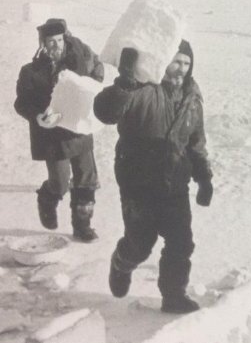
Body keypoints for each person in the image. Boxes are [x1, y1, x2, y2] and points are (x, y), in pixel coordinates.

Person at [93, 40, 213, 314]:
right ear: (163, 61)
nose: (181, 69)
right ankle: (122, 261)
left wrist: (203, 176)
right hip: (139, 182)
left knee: (181, 242)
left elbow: (195, 140)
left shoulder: (192, 96)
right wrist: (123, 83)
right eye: (176, 61)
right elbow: (105, 112)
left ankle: (173, 296)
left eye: (186, 63)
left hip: (174, 183)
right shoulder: (143, 88)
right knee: (141, 243)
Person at [14, 18, 104, 242]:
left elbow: (98, 67)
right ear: (42, 44)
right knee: (60, 183)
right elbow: (21, 103)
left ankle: (82, 225)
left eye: (59, 41)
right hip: (52, 136)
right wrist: (37, 116)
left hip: (78, 131)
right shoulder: (31, 71)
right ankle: (47, 198)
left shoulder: (81, 60)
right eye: (50, 42)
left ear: (65, 39)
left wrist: (94, 86)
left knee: (86, 179)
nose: (55, 46)